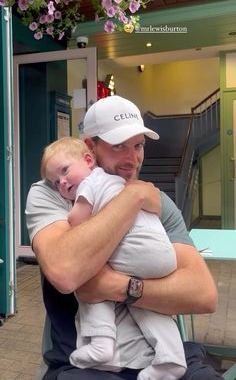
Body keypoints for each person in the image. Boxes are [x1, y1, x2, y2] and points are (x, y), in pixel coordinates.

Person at [26, 95, 222, 380]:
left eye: (138, 145)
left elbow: (203, 295)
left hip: (161, 356)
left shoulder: (157, 200)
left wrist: (120, 287)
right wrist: (132, 196)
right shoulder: (55, 192)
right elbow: (65, 272)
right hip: (84, 361)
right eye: (119, 146)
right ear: (90, 149)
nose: (133, 158)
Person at [41, 136, 187, 380]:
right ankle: (172, 356)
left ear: (89, 160)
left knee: (91, 277)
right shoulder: (127, 187)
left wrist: (69, 222)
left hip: (136, 254)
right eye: (56, 182)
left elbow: (77, 221)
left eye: (65, 172)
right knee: (149, 304)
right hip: (162, 256)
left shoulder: (91, 182)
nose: (62, 182)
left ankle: (101, 341)